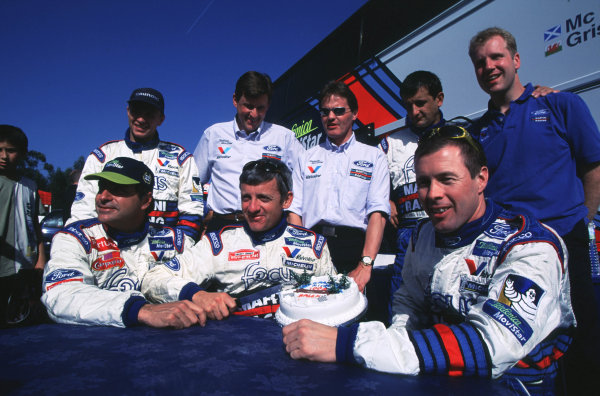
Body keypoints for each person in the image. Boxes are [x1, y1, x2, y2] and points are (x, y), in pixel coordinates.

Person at [283, 125, 575, 394]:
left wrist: (350, 344)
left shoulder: (531, 247)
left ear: (481, 178)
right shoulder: (422, 234)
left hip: (509, 385)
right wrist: (394, 356)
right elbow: (408, 305)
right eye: (423, 182)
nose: (433, 194)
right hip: (435, 378)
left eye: (447, 179)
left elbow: (490, 345)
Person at [468, 27, 600, 390]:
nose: (489, 67)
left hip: (564, 244)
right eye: (480, 63)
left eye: (496, 57)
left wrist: (582, 221)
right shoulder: (478, 132)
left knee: (581, 338)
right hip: (510, 250)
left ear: (516, 60)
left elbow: (594, 167)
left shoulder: (561, 104)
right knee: (521, 342)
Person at [142, 158, 336, 320]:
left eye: (263, 198)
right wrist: (196, 294)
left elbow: (337, 302)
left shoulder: (314, 246)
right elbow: (153, 279)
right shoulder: (218, 244)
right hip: (235, 352)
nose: (252, 208)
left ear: (286, 200)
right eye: (246, 198)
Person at [42, 157, 205, 328]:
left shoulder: (173, 240)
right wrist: (141, 310)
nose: (103, 197)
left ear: (145, 201)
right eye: (101, 188)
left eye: (117, 189)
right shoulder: (75, 238)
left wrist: (198, 294)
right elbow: (62, 296)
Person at [287, 81, 390, 291]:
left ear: (354, 114)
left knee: (354, 318)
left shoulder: (374, 157)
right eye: (325, 112)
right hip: (313, 246)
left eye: (339, 110)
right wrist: (303, 254)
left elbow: (377, 213)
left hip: (355, 249)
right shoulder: (306, 158)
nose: (331, 117)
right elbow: (294, 210)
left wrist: (365, 264)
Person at [69, 88, 204, 241]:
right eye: (136, 112)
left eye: (149, 114)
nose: (141, 119)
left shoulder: (180, 158)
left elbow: (192, 213)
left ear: (161, 119)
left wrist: (178, 249)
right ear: (128, 111)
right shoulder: (102, 155)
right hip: (109, 250)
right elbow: (83, 213)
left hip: (164, 251)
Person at [194, 71, 303, 232]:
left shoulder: (284, 138)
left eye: (261, 108)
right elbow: (194, 183)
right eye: (249, 106)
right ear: (235, 100)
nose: (254, 114)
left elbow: (303, 179)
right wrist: (199, 218)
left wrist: (294, 213)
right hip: (222, 226)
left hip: (268, 227)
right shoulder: (213, 135)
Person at [379, 71, 445, 317]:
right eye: (408, 106)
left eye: (420, 103)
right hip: (409, 235)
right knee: (403, 307)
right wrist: (385, 200)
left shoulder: (456, 136)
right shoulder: (390, 143)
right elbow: (369, 183)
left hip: (447, 234)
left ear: (439, 99)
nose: (414, 111)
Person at [0, 125, 46, 326]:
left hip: (23, 268)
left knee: (18, 324)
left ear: (22, 153)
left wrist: (41, 259)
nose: (3, 156)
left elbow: (35, 226)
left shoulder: (30, 186)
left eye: (10, 151)